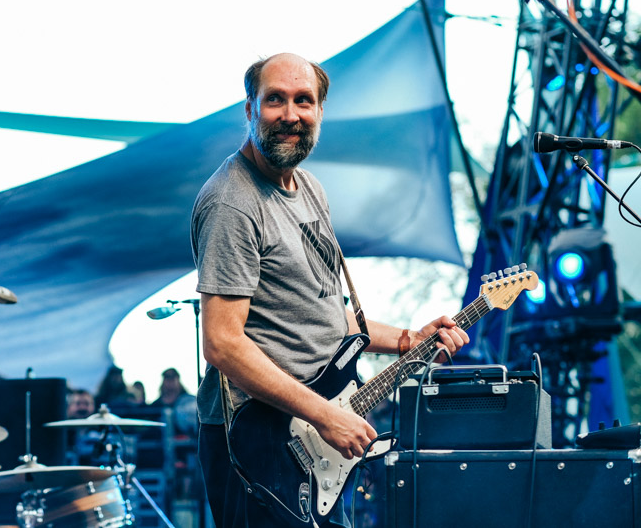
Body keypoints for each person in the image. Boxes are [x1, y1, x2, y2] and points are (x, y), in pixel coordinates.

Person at [190, 53, 469, 528]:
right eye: (275, 99)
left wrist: (409, 339)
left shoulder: (309, 189)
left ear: (320, 112)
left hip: (316, 438)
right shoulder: (232, 203)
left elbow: (323, 311)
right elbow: (221, 342)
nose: (290, 115)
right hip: (262, 439)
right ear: (250, 109)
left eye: (304, 101)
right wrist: (325, 415)